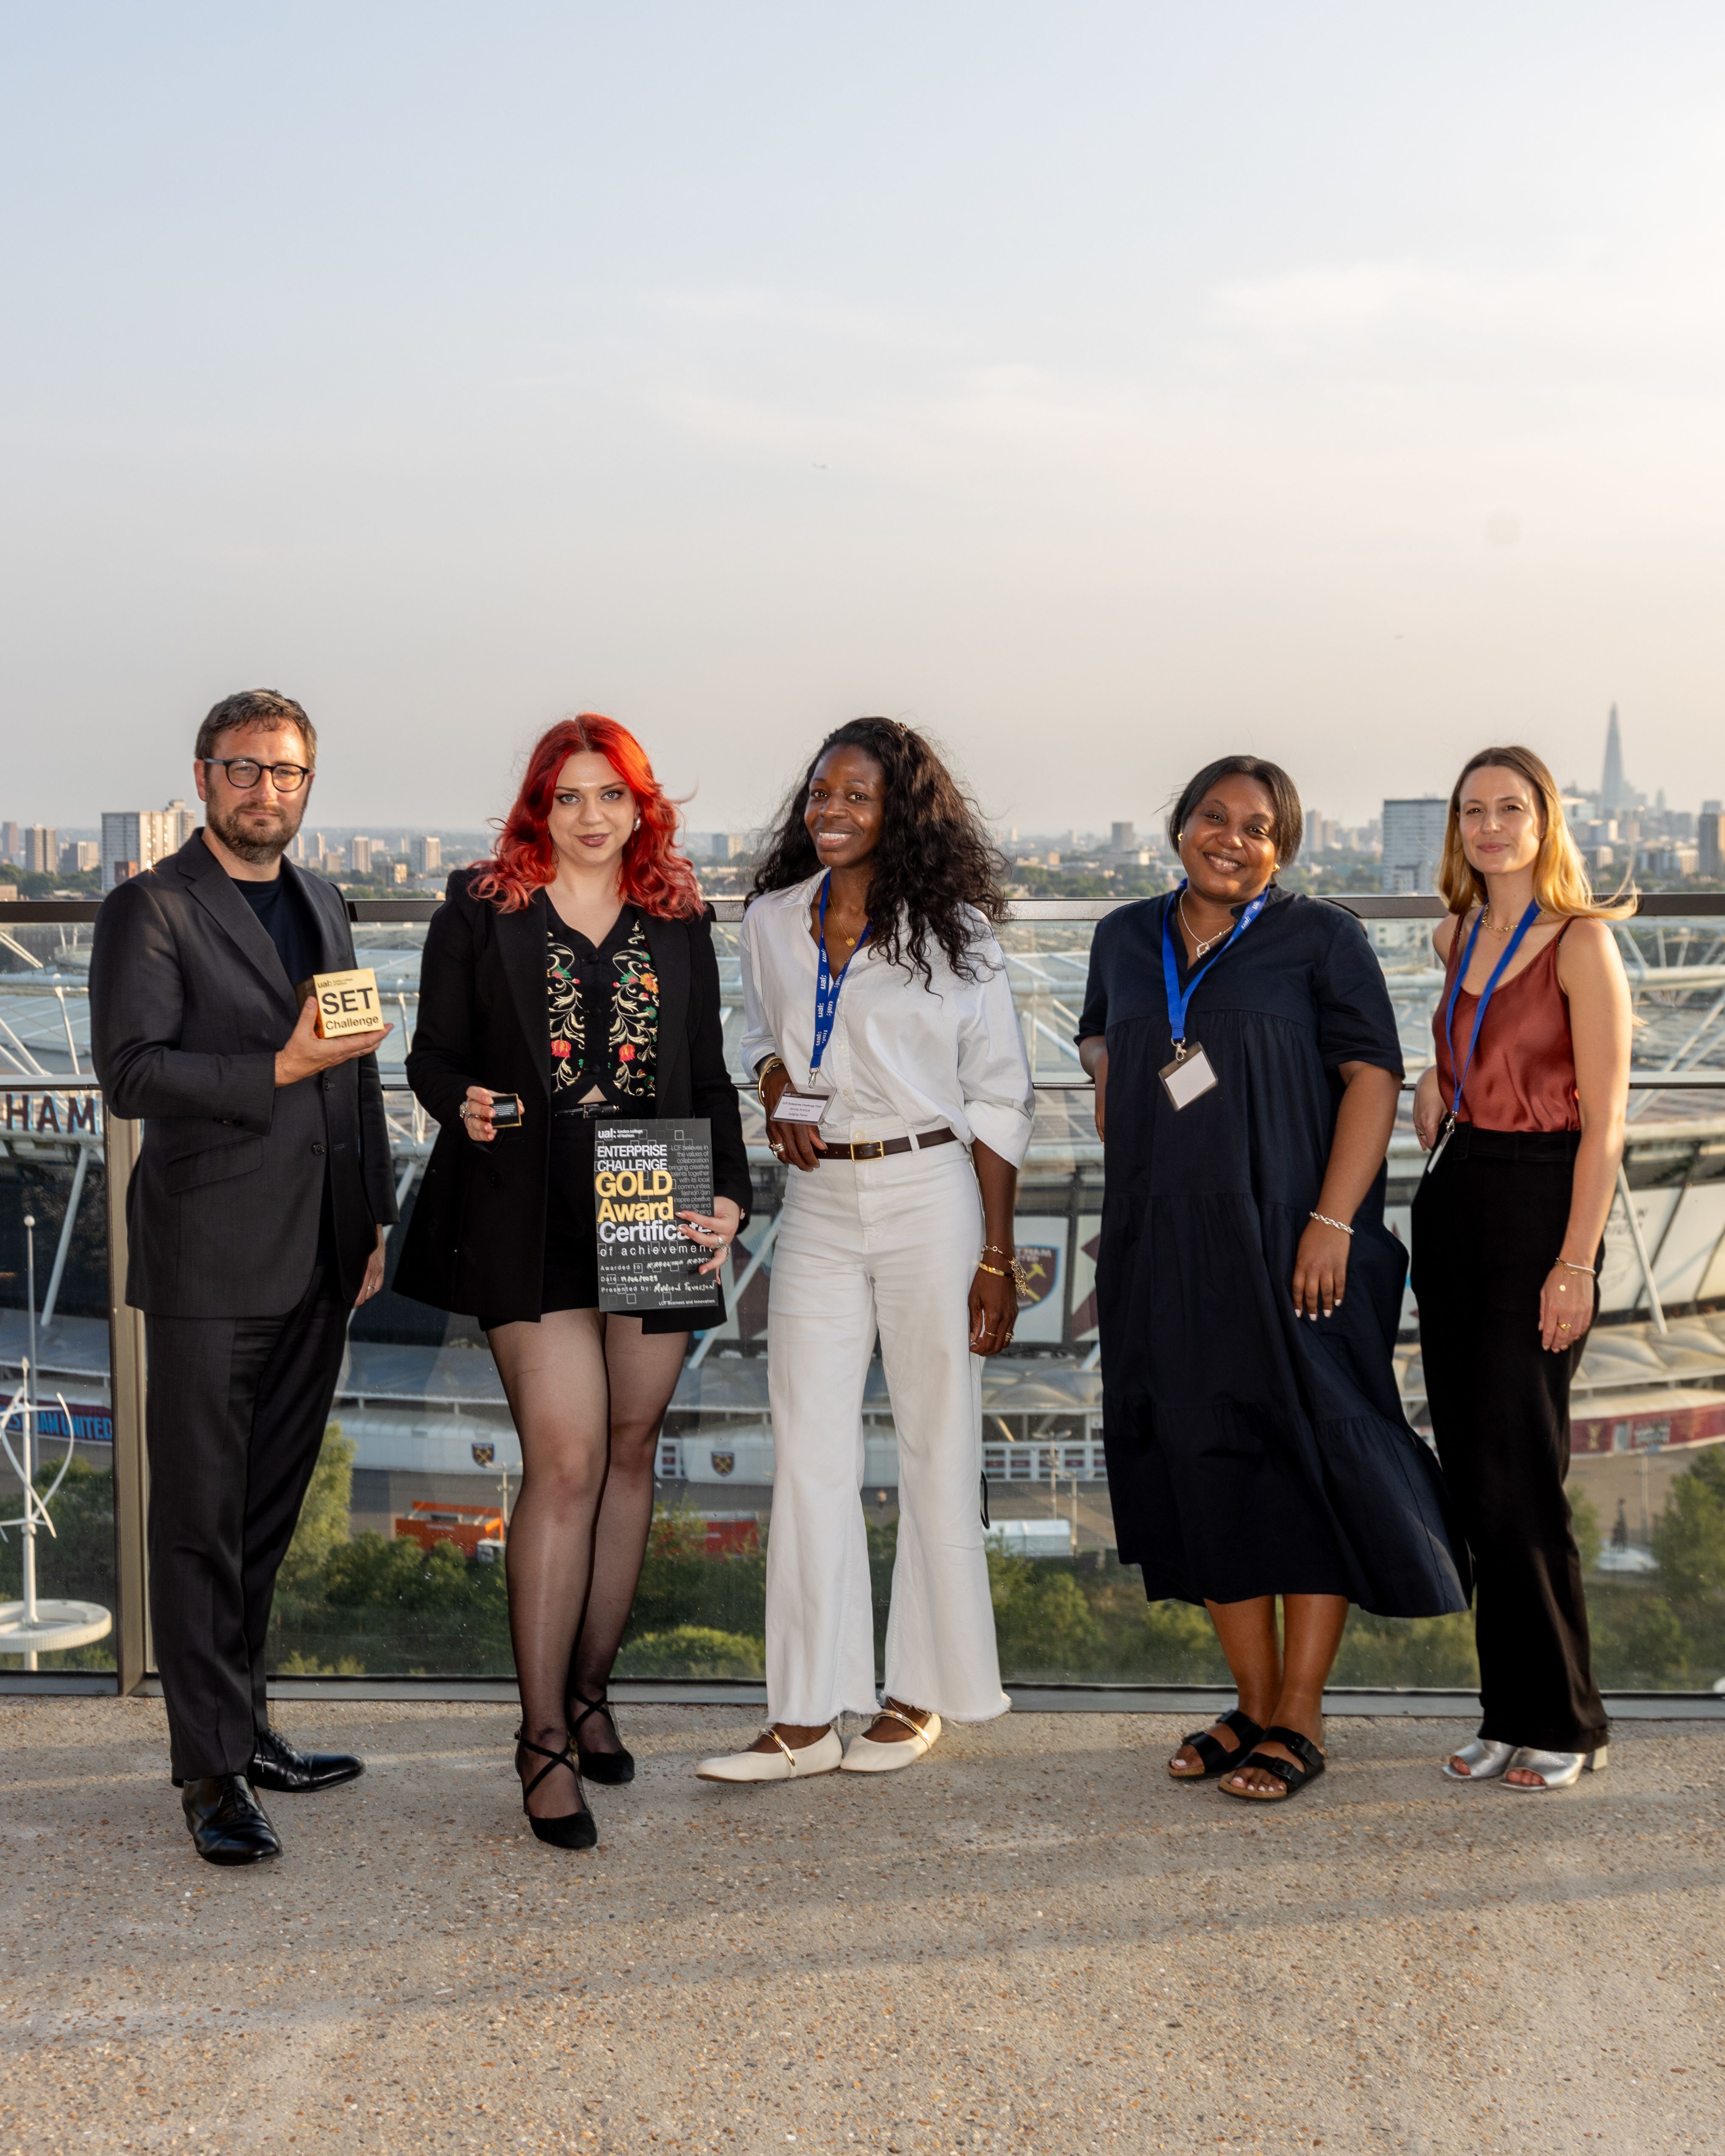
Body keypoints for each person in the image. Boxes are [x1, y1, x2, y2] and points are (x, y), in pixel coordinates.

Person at [1076, 755, 1468, 1803]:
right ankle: (1249, 1701)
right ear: (1181, 825)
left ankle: (1300, 1710)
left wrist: (1333, 1221)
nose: (1233, 839)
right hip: (1165, 1250)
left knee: (1310, 1457)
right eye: (1216, 817)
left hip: (1298, 1247)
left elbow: (1373, 1079)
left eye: (1259, 827)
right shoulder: (1123, 935)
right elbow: (1110, 1070)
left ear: (1283, 847)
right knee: (1207, 1461)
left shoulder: (1321, 936)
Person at [395, 715, 749, 1849]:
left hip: (654, 1186)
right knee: (566, 1458)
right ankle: (542, 1736)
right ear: (536, 809)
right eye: (568, 796)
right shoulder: (479, 908)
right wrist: (464, 1102)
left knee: (633, 1450)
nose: (592, 815)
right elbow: (430, 1054)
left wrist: (732, 1198)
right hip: (521, 1198)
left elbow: (709, 1078)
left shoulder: (679, 918)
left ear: (641, 805)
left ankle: (593, 1693)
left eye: (612, 794)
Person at [695, 718, 1034, 1785]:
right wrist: (773, 1093)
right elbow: (756, 1034)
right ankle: (802, 1714)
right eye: (821, 795)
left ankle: (918, 1693)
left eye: (858, 797)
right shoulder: (771, 920)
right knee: (808, 1449)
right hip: (821, 1200)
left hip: (931, 1189)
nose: (832, 814)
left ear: (904, 813)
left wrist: (996, 1254)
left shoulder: (958, 935)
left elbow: (1002, 1099)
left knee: (938, 1442)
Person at [90, 689, 396, 1866]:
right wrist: (276, 1062)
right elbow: (132, 1072)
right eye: (244, 769)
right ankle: (210, 1770)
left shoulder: (325, 899)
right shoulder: (148, 908)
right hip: (211, 1258)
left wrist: (369, 1215)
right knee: (198, 1521)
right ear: (205, 776)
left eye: (287, 772)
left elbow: (355, 1069)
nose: (266, 790)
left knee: (265, 1508)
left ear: (309, 785)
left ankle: (249, 1722)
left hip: (324, 1247)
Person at [1411, 747, 1632, 1791]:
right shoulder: (1458, 934)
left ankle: (1569, 1719)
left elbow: (1607, 1125)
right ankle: (1506, 1712)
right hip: (1457, 1196)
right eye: (1473, 811)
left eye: (1511, 808)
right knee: (1475, 1473)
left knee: (1526, 1469)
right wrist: (1431, 1076)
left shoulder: (1581, 943)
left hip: (1544, 1199)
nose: (1490, 825)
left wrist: (1575, 1261)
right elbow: (1466, 1049)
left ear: (1546, 822)